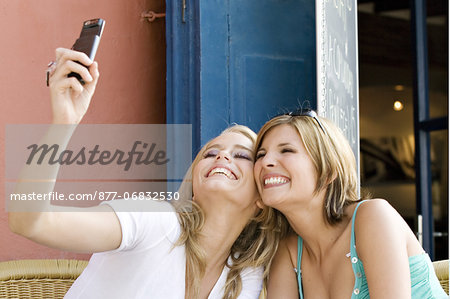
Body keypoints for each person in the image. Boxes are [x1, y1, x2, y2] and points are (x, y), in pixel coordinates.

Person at [8, 48, 280, 299]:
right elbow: (30, 221)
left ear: (261, 201)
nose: (221, 156)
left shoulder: (243, 276)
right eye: (210, 153)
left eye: (242, 155)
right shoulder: (156, 222)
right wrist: (63, 123)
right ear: (194, 181)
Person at [253, 109, 447, 298]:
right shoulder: (289, 251)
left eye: (286, 150)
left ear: (328, 170)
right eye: (260, 154)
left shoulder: (373, 217)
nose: (265, 161)